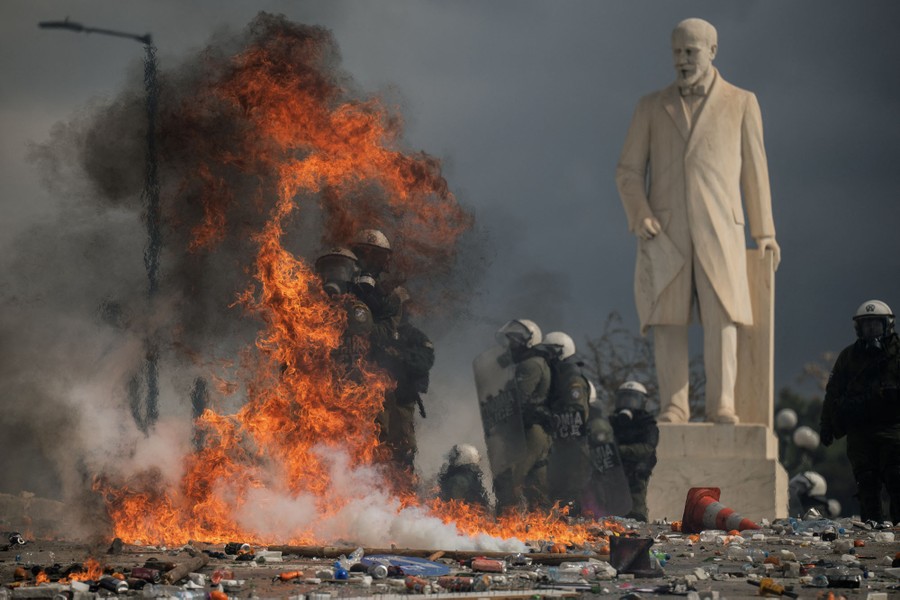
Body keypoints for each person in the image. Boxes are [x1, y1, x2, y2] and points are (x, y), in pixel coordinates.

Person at [616, 18, 780, 424]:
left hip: (721, 228)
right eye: (676, 52)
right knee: (667, 320)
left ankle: (722, 403)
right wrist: (640, 213)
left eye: (690, 51)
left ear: (712, 51)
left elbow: (755, 173)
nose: (682, 60)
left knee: (723, 315)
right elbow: (628, 171)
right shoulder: (650, 106)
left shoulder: (742, 102)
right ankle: (675, 406)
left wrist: (764, 232)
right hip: (665, 231)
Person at [819, 299, 900, 523]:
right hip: (860, 431)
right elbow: (833, 393)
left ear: (887, 325)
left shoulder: (897, 354)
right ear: (859, 328)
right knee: (866, 482)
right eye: (867, 324)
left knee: (896, 478)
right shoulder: (849, 357)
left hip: (892, 428)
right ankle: (873, 528)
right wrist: (826, 425)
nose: (871, 329)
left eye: (876, 324)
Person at [492, 318, 553, 513]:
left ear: (528, 341)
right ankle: (542, 521)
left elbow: (520, 400)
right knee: (536, 483)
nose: (511, 346)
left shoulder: (530, 365)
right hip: (535, 431)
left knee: (510, 479)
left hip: (530, 431)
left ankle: (505, 520)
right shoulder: (534, 362)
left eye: (514, 341)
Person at [370, 288, 435, 472]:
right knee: (376, 441)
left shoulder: (414, 337)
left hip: (402, 399)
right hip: (378, 398)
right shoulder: (379, 331)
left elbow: (423, 363)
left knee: (404, 447)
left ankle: (403, 481)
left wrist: (400, 357)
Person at [541, 331, 593, 513]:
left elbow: (575, 412)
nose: (546, 357)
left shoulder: (572, 377)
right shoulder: (557, 377)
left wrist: (547, 416)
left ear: (562, 351)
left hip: (573, 445)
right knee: (557, 492)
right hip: (561, 444)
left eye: (550, 352)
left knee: (571, 492)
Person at [609, 381, 659, 521]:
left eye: (632, 399)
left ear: (642, 402)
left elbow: (647, 449)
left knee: (636, 509)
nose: (628, 403)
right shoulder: (612, 422)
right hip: (614, 471)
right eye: (624, 399)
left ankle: (638, 525)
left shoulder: (647, 424)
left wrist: (620, 451)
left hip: (637, 471)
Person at [437, 443, 490, 509]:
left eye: (452, 458)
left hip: (462, 511)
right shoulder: (472, 477)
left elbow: (456, 503)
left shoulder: (458, 480)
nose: (450, 461)